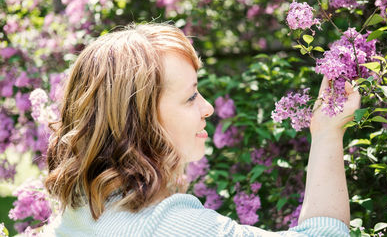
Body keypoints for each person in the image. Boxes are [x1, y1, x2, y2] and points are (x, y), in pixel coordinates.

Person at [42, 23, 359, 236]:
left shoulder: (81, 207)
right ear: (141, 120)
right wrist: (328, 133)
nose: (207, 107)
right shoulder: (173, 227)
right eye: (191, 96)